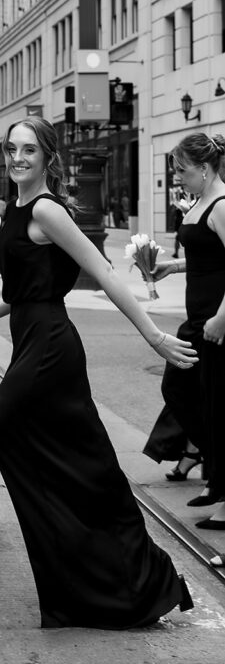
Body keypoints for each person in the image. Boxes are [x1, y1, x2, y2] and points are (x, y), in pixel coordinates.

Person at [0, 117, 197, 631]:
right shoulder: (14, 209)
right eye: (11, 150)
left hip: (49, 352)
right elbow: (24, 289)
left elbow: (105, 272)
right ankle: (127, 576)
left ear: (47, 157)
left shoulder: (46, 209)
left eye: (28, 150)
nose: (16, 158)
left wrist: (153, 335)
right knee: (77, 468)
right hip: (32, 345)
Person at [146, 133, 225, 568]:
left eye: (183, 170)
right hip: (199, 322)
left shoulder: (222, 204)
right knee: (182, 391)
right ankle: (211, 469)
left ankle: (220, 486)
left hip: (217, 325)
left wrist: (222, 318)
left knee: (218, 405)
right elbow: (207, 256)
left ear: (206, 169)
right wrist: (172, 265)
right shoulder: (201, 204)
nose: (179, 177)